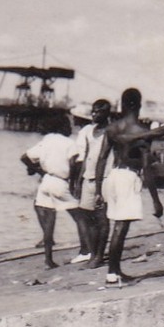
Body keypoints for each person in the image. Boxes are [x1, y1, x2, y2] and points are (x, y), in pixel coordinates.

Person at [96, 88, 164, 285]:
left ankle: (115, 271)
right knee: (121, 227)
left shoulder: (112, 128)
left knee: (118, 224)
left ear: (122, 105)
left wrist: (99, 188)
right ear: (139, 106)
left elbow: (101, 159)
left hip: (113, 175)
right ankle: (112, 274)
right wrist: (156, 201)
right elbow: (147, 169)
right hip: (128, 177)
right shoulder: (142, 132)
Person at [22, 130, 80, 269]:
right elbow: (74, 164)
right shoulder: (70, 143)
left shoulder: (46, 141)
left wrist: (40, 171)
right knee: (81, 217)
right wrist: (74, 183)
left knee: (48, 223)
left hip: (47, 180)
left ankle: (49, 260)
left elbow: (25, 157)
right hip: (61, 181)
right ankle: (88, 251)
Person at [71, 99, 112, 266]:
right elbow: (87, 156)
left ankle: (99, 256)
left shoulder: (111, 131)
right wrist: (79, 181)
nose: (94, 114)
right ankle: (93, 253)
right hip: (88, 178)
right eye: (93, 111)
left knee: (102, 218)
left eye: (98, 112)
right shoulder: (90, 131)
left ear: (106, 114)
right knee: (86, 217)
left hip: (105, 178)